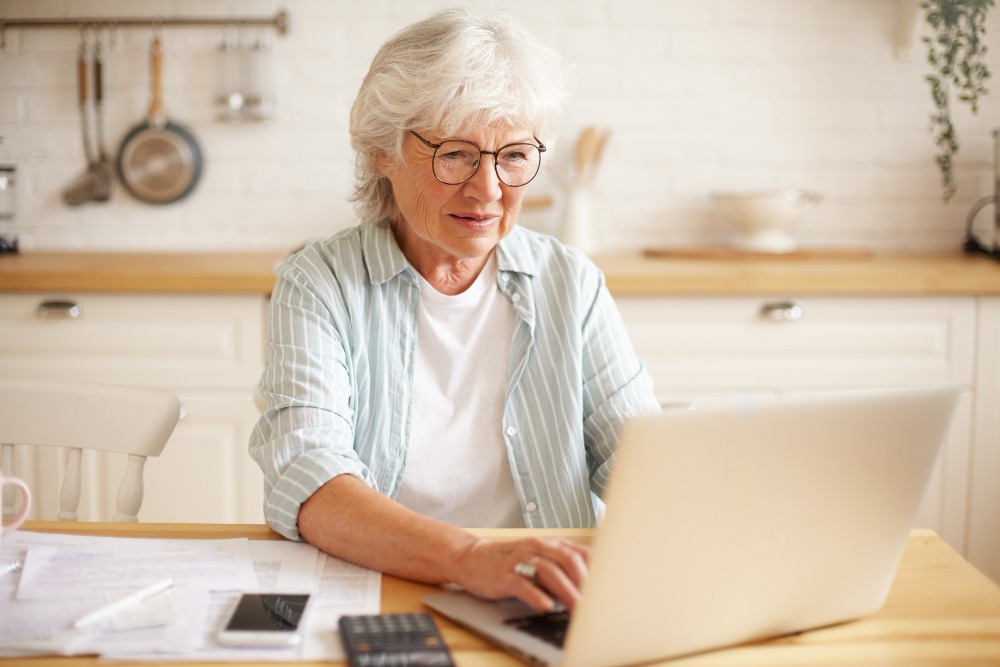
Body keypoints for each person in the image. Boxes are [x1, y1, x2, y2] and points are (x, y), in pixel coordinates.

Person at [249, 8, 659, 614]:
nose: (488, 189)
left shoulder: (570, 283)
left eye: (514, 155)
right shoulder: (320, 284)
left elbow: (641, 463)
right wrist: (470, 560)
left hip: (547, 602)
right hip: (385, 594)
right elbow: (309, 483)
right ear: (381, 153)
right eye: (455, 154)